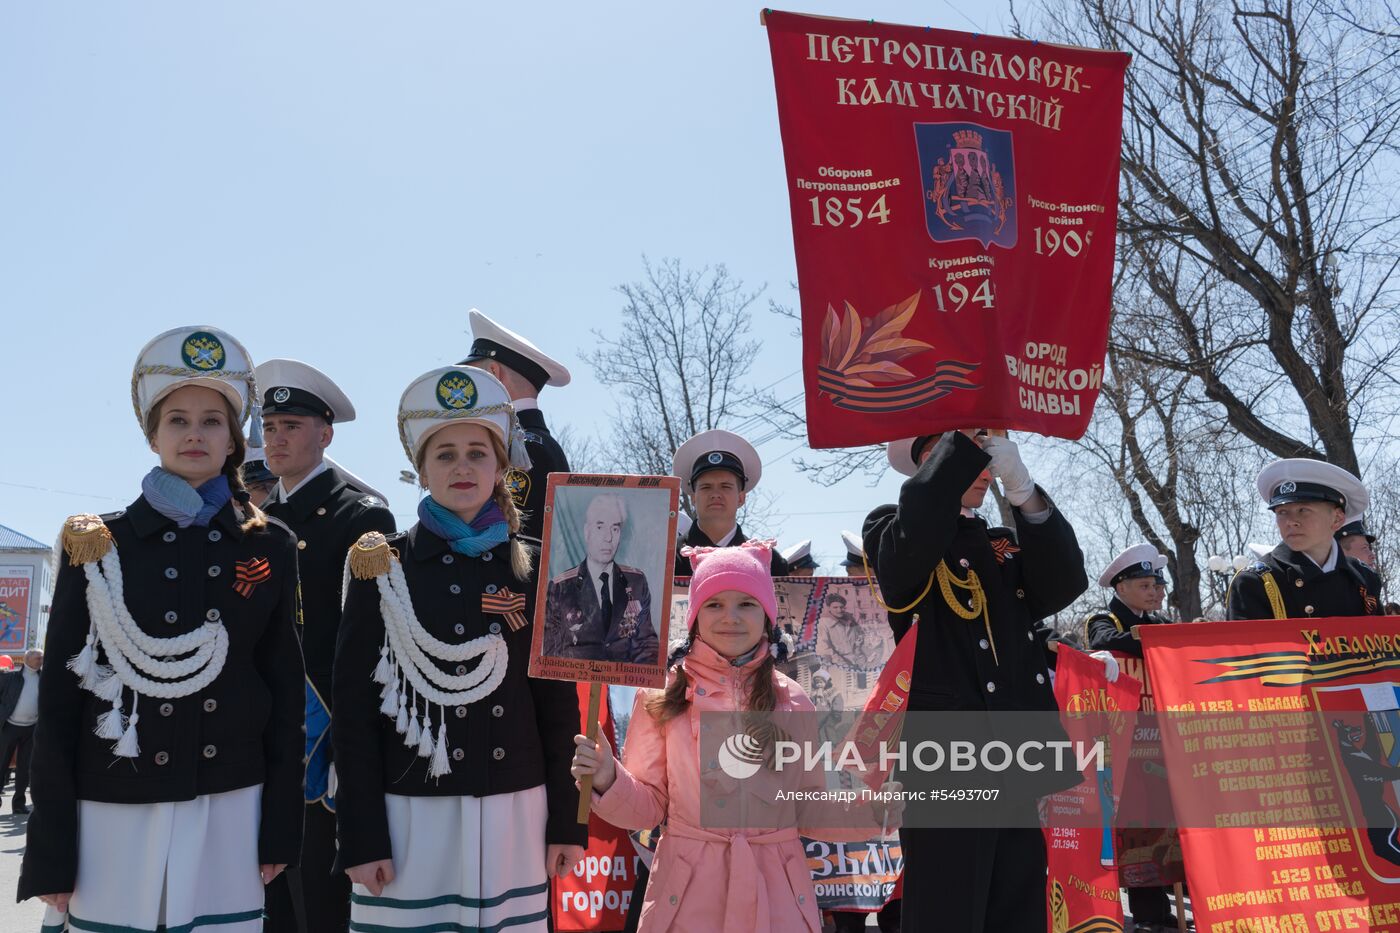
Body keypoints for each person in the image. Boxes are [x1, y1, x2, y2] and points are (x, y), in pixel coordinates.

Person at [19, 325, 304, 931]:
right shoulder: (97, 544)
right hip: (113, 806)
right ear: (153, 435)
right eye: (177, 420)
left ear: (234, 439)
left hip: (229, 807)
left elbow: (283, 696)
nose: (194, 433)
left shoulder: (272, 545)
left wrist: (281, 826)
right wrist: (50, 852)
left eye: (212, 420)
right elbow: (62, 706)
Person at [332, 365, 586, 931]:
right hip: (408, 822)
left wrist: (567, 823)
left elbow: (558, 707)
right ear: (421, 470)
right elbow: (354, 718)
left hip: (516, 814)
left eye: (477, 451)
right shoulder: (381, 567)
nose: (463, 466)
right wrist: (362, 835)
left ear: (502, 466)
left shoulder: (539, 566)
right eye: (444, 454)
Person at [571, 542, 899, 932]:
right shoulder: (661, 696)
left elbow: (807, 806)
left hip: (778, 898)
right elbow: (649, 807)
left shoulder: (793, 699)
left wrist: (870, 813)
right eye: (714, 604)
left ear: (766, 615)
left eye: (746, 603)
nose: (731, 617)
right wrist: (609, 778)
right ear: (693, 617)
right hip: (688, 899)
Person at [864, 430, 1089, 932]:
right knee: (948, 912)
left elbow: (1065, 582)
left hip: (1018, 754)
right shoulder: (890, 529)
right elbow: (911, 545)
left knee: (1016, 910)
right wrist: (959, 449)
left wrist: (1024, 492)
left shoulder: (1002, 545)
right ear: (929, 466)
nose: (979, 469)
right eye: (961, 455)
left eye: (986, 460)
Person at [252, 357, 398, 933]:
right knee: (272, 910)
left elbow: (372, 646)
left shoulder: (358, 517)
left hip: (325, 749)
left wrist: (349, 749)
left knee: (318, 907)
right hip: (268, 743)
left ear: (326, 434)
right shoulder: (260, 521)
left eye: (291, 426)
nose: (277, 439)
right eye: (269, 427)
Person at [461, 308, 572, 545]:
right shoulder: (535, 443)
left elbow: (513, 541)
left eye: (476, 375)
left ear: (494, 373)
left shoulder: (523, 448)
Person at [1227, 459, 1382, 620]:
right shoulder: (1255, 582)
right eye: (1282, 512)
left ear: (1337, 518)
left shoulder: (1363, 577)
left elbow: (1381, 642)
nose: (1290, 521)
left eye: (1303, 510)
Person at [543, 493, 660, 663]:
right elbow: (551, 649)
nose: (608, 538)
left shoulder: (636, 581)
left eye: (615, 528)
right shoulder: (561, 587)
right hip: (576, 683)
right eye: (600, 527)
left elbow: (646, 642)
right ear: (587, 532)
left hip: (624, 683)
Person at [671, 429, 789, 577]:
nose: (715, 494)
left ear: (741, 498)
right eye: (706, 487)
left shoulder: (769, 562)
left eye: (725, 486)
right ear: (693, 497)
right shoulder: (669, 561)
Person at [1084, 544, 1171, 657]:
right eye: (1144, 586)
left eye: (1153, 586)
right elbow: (1104, 641)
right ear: (1122, 589)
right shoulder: (1103, 621)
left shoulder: (1156, 622)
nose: (1153, 592)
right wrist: (1163, 641)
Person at [0, 649, 43, 814]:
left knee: (24, 768)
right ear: (27, 659)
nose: (40, 659)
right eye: (37, 657)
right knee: (2, 764)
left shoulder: (44, 679)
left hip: (31, 728)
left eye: (41, 657)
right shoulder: (10, 677)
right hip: (9, 726)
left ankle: (18, 804)